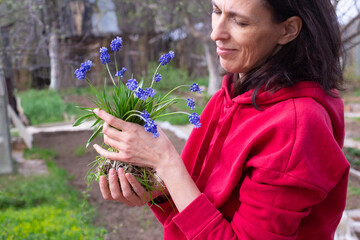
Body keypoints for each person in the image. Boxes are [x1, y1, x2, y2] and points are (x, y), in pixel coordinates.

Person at [93, 0, 350, 239]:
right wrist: (159, 193)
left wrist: (166, 163)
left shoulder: (297, 127)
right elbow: (207, 209)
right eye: (217, 11)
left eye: (240, 22)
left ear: (288, 30)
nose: (216, 33)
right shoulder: (227, 98)